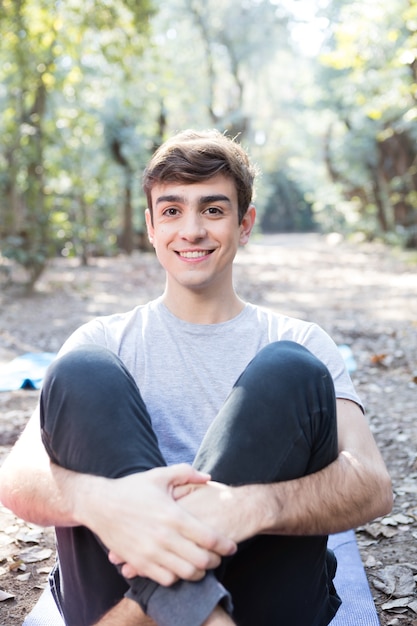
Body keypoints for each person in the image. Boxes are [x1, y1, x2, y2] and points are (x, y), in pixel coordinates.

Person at [0, 129, 392, 626]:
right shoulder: (102, 338)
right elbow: (17, 479)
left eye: (212, 209)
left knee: (288, 368)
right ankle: (205, 616)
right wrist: (106, 500)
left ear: (244, 224)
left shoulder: (303, 339)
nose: (191, 230)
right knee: (82, 371)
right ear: (150, 226)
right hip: (110, 576)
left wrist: (247, 507)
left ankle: (145, 611)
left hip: (260, 593)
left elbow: (372, 484)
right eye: (171, 210)